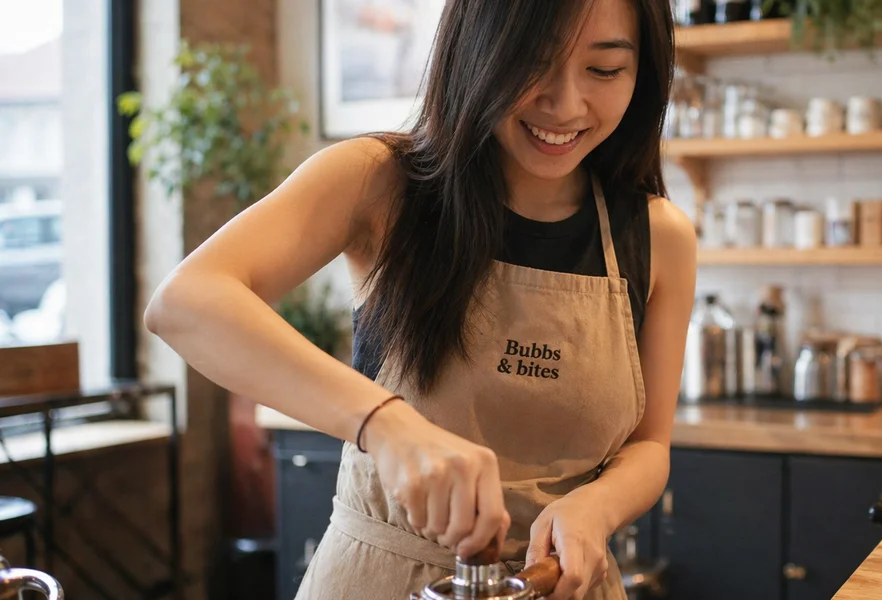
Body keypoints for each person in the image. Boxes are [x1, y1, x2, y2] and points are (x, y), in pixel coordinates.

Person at [144, 0, 694, 598]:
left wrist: (598, 505)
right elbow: (187, 302)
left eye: (604, 70)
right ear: (477, 52)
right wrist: (387, 424)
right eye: (531, 62)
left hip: (561, 583)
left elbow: (649, 447)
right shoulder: (380, 183)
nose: (564, 104)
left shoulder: (656, 237)